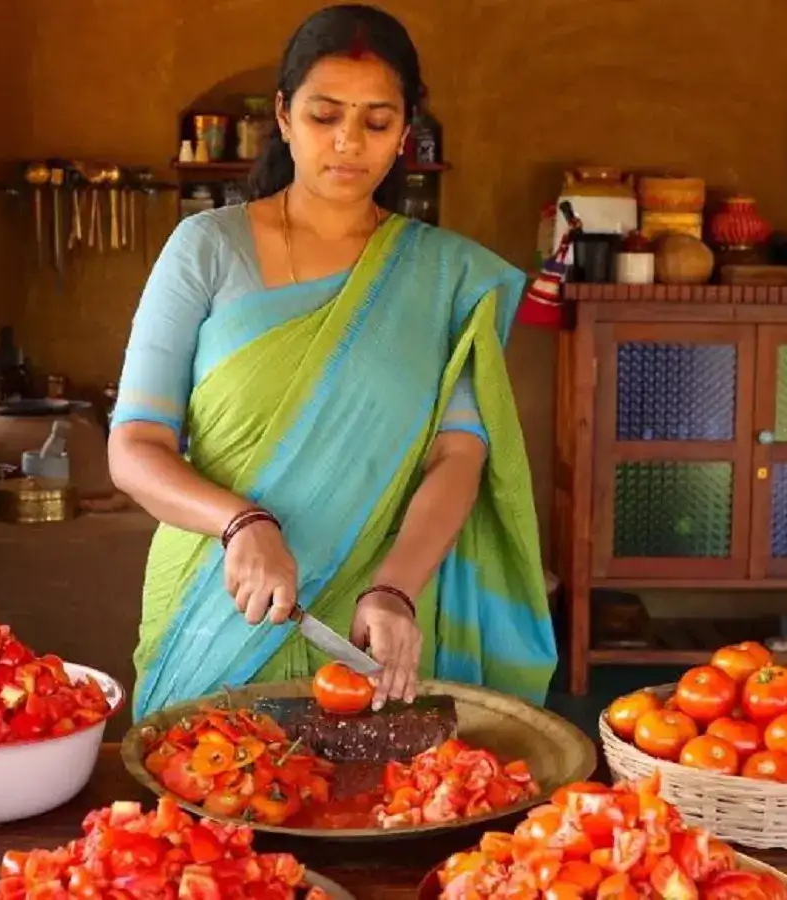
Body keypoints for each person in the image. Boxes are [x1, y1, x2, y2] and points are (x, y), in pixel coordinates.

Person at [109, 3, 557, 720]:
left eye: (377, 122)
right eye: (324, 115)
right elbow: (134, 447)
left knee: (386, 788)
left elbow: (458, 456)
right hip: (216, 605)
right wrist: (239, 523)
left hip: (370, 627)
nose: (348, 142)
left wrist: (396, 587)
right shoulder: (207, 248)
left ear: (404, 133)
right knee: (200, 785)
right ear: (284, 116)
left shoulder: (443, 278)